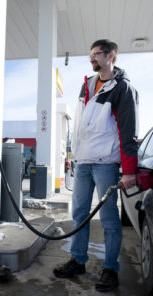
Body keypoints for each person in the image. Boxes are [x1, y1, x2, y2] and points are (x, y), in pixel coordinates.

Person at [53, 39, 139, 292]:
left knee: (109, 220)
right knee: (79, 214)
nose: (92, 58)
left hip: (105, 164)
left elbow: (128, 131)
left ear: (110, 56)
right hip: (83, 162)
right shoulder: (87, 84)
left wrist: (130, 170)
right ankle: (78, 260)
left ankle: (110, 268)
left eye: (96, 54)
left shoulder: (122, 88)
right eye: (90, 54)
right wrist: (74, 154)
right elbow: (80, 125)